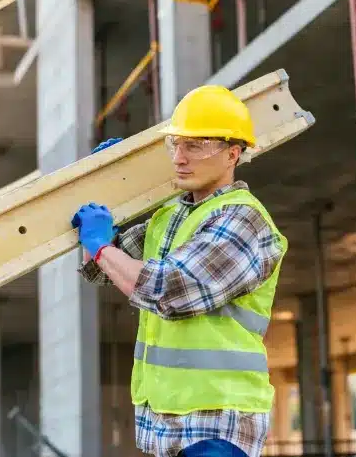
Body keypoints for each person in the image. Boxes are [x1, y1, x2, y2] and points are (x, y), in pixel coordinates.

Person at [71, 85, 288, 457]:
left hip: (217, 421)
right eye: (177, 145)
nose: (180, 158)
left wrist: (102, 246)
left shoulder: (243, 219)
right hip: (164, 423)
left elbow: (169, 290)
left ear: (233, 153)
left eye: (197, 145)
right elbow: (105, 270)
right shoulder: (171, 216)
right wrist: (109, 188)